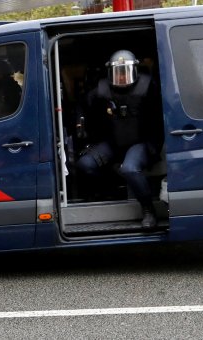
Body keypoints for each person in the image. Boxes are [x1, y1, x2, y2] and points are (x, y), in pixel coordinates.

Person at [76, 50, 163, 230]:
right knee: (85, 164)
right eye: (118, 72)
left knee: (130, 169)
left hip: (140, 142)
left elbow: (162, 115)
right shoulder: (102, 89)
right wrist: (80, 125)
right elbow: (82, 106)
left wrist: (154, 145)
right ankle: (110, 191)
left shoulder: (148, 87)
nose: (122, 76)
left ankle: (148, 210)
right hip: (113, 142)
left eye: (126, 71)